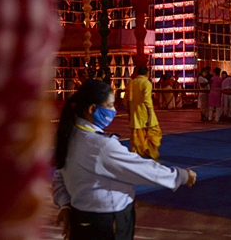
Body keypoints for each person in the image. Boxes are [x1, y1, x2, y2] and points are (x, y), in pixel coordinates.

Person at [53, 80, 197, 240]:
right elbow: (140, 169)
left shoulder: (69, 135)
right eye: (110, 105)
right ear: (92, 109)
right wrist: (181, 176)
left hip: (81, 218)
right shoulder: (101, 145)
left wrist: (65, 205)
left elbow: (59, 175)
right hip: (108, 222)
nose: (114, 110)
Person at [127, 66, 162, 160]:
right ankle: (151, 154)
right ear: (147, 73)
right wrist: (150, 115)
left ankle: (136, 157)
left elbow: (126, 100)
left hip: (135, 114)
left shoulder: (131, 83)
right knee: (154, 134)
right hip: (145, 113)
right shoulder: (146, 83)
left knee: (137, 137)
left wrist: (129, 113)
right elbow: (147, 100)